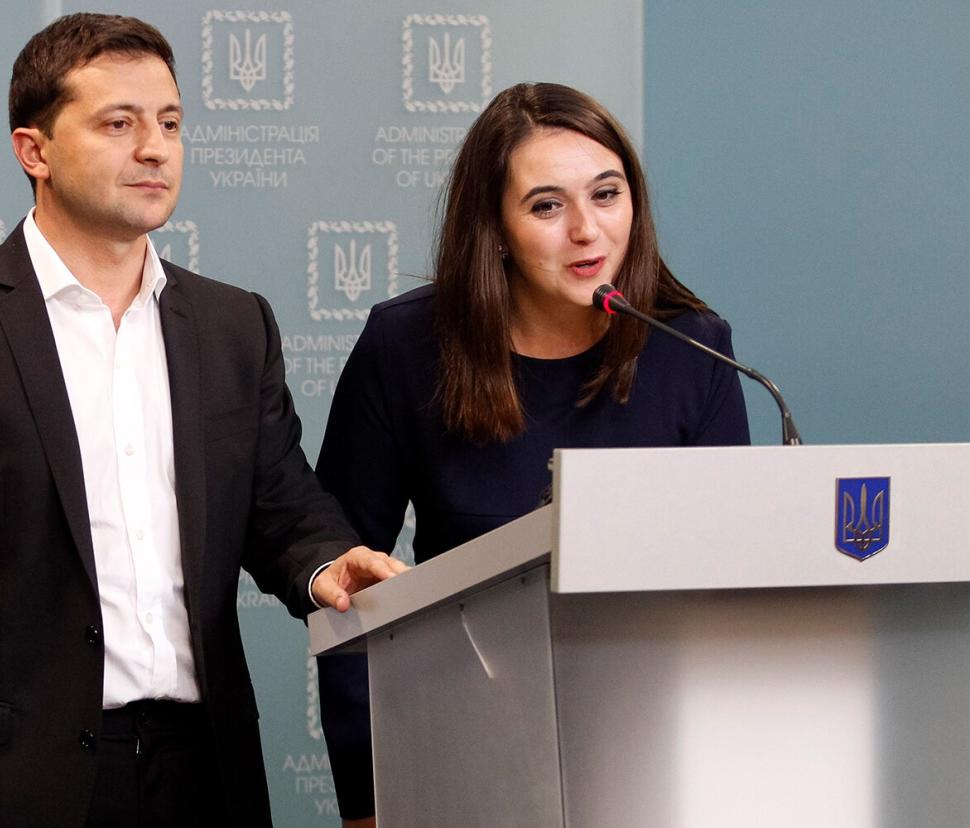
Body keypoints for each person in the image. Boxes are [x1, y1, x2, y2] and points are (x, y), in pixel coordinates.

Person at [0, 13, 403, 827]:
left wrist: (327, 565)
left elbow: (281, 504)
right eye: (120, 123)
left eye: (170, 124)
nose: (156, 148)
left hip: (204, 771)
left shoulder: (235, 325)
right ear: (34, 150)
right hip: (16, 785)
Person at [315, 82, 751, 824]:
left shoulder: (694, 348)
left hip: (655, 759)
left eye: (606, 194)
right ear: (496, 229)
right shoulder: (406, 347)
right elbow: (351, 593)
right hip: (461, 753)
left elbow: (732, 584)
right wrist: (369, 799)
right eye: (547, 206)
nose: (587, 230)